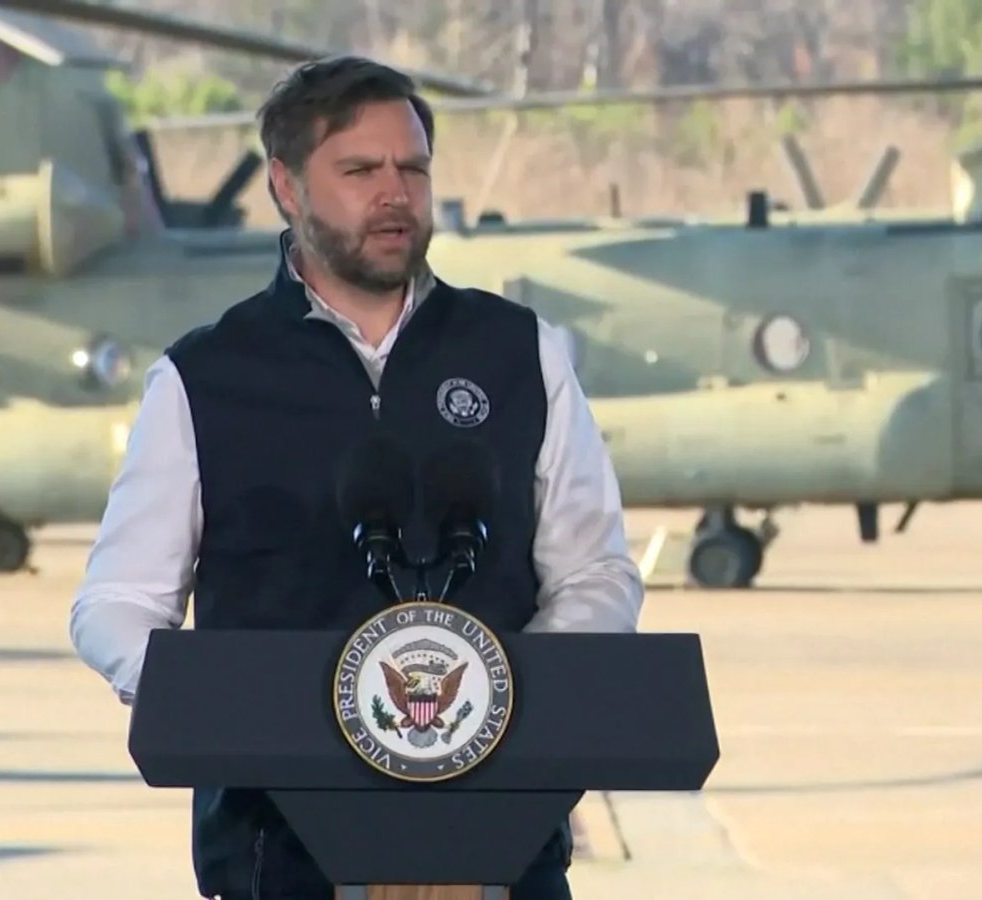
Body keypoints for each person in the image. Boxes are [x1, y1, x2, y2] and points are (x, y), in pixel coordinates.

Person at [69, 55, 643, 900]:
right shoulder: (206, 377)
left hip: (501, 844)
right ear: (287, 187)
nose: (395, 193)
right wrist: (206, 698)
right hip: (279, 854)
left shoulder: (520, 353)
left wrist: (504, 705)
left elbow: (595, 571)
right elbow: (114, 602)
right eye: (361, 170)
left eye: (412, 169)